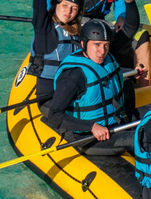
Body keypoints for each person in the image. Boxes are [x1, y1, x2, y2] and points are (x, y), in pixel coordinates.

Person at [45, 18, 140, 155]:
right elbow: (54, 116)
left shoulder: (105, 57)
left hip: (117, 122)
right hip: (90, 138)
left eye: (106, 45)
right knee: (140, 138)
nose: (102, 51)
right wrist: (92, 127)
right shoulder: (73, 76)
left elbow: (130, 27)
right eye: (97, 45)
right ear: (83, 44)